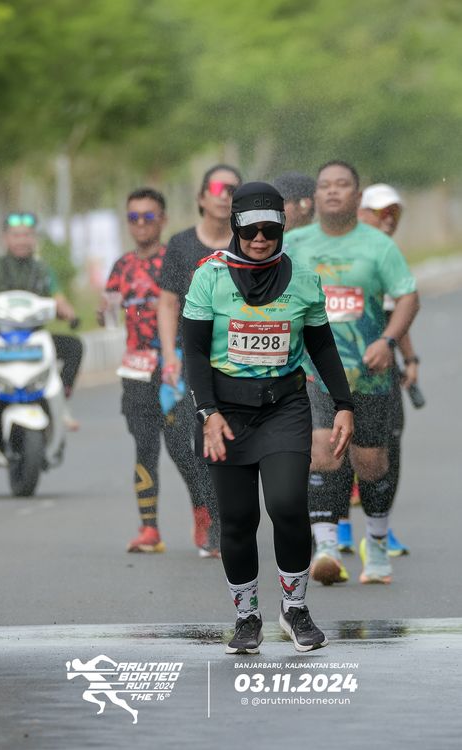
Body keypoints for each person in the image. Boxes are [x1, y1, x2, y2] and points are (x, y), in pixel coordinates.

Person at [183, 182, 354, 654]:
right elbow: (194, 353)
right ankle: (246, 617)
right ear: (234, 226)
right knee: (238, 519)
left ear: (282, 228)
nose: (259, 238)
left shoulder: (303, 280)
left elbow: (322, 346)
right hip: (225, 414)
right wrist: (207, 412)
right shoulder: (210, 277)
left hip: (284, 407)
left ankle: (294, 609)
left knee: (287, 505)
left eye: (270, 229)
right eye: (249, 229)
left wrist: (344, 404)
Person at [284, 161, 419, 586]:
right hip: (313, 371)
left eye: (342, 185)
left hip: (369, 373)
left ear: (357, 197)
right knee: (322, 449)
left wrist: (389, 342)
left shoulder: (378, 245)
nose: (332, 191)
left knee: (371, 461)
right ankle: (326, 548)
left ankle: (375, 544)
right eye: (325, 185)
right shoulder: (295, 243)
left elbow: (408, 296)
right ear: (315, 197)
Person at [99, 188, 221, 557]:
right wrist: (103, 312)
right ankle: (149, 528)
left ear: (163, 219)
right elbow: (109, 313)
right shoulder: (121, 266)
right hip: (136, 368)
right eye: (133, 217)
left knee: (181, 446)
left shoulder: (175, 257)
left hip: (174, 364)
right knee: (145, 445)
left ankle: (204, 513)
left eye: (148, 216)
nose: (141, 224)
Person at [0, 212, 82, 494]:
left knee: (74, 346)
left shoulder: (42, 271)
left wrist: (67, 311)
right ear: (6, 238)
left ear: (33, 239)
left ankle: (60, 400)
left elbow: (60, 299)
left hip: (31, 342)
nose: (22, 240)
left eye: (27, 235)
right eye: (16, 235)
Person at [157, 164, 243, 555]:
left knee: (239, 436)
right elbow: (168, 302)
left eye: (233, 189)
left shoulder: (251, 241)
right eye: (219, 188)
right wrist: (168, 357)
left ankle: (236, 515)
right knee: (193, 439)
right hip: (192, 356)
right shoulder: (181, 245)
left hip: (242, 355)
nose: (225, 196)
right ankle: (211, 513)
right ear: (202, 197)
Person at [336, 184, 420, 557]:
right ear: (361, 212)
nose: (389, 219)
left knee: (387, 442)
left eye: (395, 212)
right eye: (381, 211)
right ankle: (339, 525)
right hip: (339, 365)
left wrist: (410, 359)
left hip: (382, 366)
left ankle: (380, 529)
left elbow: (398, 313)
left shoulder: (388, 253)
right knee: (338, 443)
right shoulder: (342, 250)